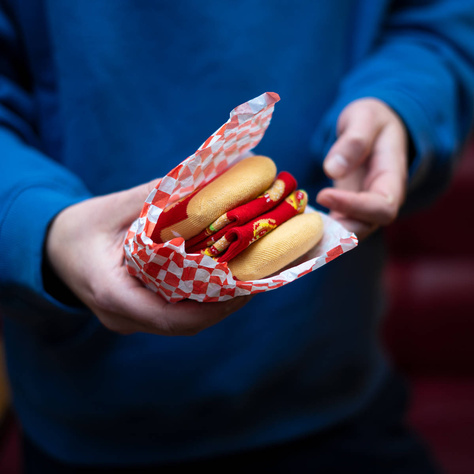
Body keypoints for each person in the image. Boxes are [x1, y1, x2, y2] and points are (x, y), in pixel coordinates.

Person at [1, 1, 473, 472]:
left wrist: (401, 99)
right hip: (89, 421)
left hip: (336, 394)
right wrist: (41, 224)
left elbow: (437, 23)